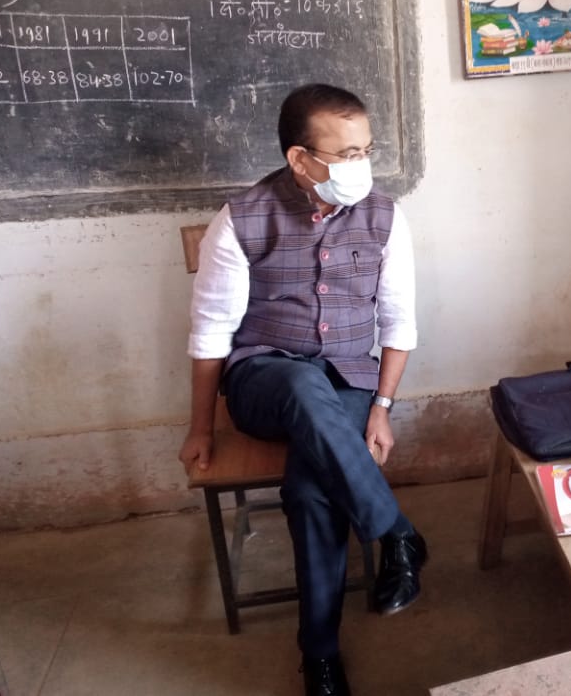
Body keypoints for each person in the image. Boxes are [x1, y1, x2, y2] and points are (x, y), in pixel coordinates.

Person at [178, 83, 425, 696]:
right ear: (300, 159)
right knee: (298, 380)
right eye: (346, 154)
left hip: (349, 377)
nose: (361, 166)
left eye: (366, 150)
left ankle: (319, 656)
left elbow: (399, 322)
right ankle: (396, 530)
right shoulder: (241, 220)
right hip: (264, 379)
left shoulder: (385, 217)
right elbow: (211, 333)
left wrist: (383, 407)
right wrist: (201, 428)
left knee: (312, 491)